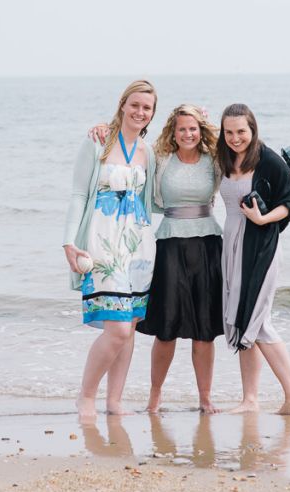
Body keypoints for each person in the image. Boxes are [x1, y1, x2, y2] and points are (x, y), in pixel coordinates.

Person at [91, 105, 224, 414]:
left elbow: (236, 152)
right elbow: (129, 155)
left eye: (193, 128)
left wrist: (209, 121)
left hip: (207, 245)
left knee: (204, 331)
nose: (188, 134)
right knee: (166, 330)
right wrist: (104, 128)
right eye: (182, 129)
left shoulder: (213, 162)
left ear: (200, 130)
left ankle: (205, 399)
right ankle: (155, 397)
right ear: (172, 132)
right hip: (168, 245)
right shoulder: (159, 159)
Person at [63, 80, 158, 420]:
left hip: (139, 246)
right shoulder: (97, 142)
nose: (140, 112)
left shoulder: (149, 153)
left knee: (128, 326)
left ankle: (114, 401)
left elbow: (155, 200)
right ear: (122, 105)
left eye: (147, 108)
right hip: (102, 245)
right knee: (116, 328)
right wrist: (69, 242)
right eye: (135, 105)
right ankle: (85, 396)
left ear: (152, 115)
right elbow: (79, 195)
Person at [217, 103, 290, 415]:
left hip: (260, 247)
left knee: (257, 321)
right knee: (244, 322)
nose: (235, 138)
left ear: (253, 129)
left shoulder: (267, 159)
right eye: (228, 132)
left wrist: (263, 219)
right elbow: (187, 141)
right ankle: (250, 399)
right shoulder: (224, 157)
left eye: (241, 131)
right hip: (231, 245)